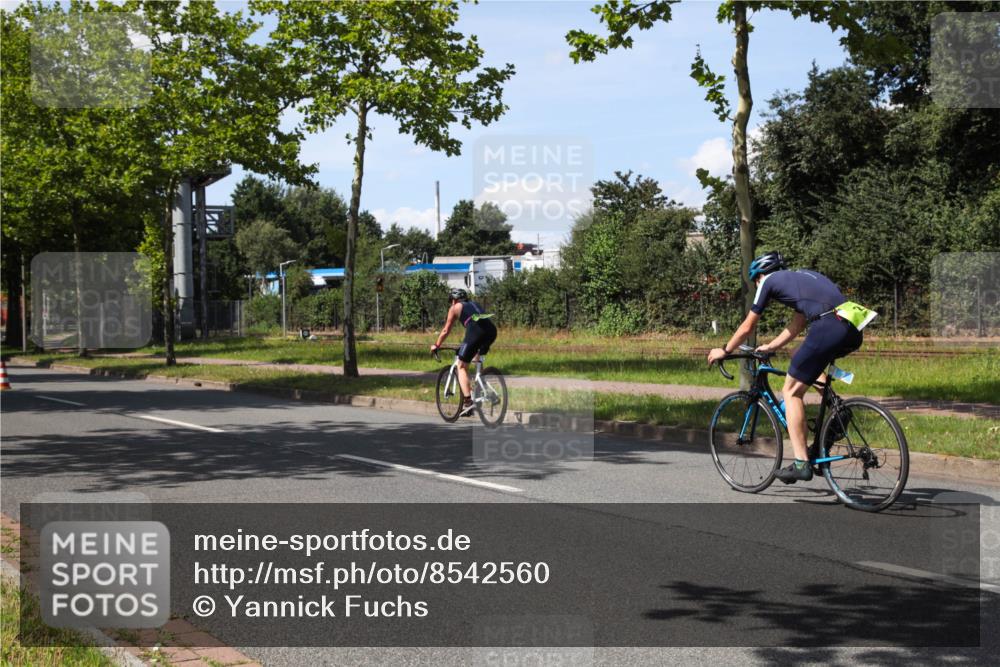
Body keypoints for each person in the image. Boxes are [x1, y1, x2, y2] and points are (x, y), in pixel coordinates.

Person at [706, 252, 870, 483]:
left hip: (828, 325)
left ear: (760, 275)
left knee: (791, 392)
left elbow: (747, 326)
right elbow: (797, 324)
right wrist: (770, 346)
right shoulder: (805, 277)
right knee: (800, 356)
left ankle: (801, 463)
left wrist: (725, 350)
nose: (757, 285)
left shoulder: (768, 281)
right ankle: (836, 408)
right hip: (853, 325)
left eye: (755, 281)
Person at [430, 288, 497, 416]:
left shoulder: (455, 307)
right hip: (491, 331)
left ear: (454, 300)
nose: (451, 304)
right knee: (476, 358)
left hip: (476, 331)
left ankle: (468, 402)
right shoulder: (474, 304)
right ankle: (482, 390)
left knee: (461, 366)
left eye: (451, 301)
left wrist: (436, 345)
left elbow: (445, 330)